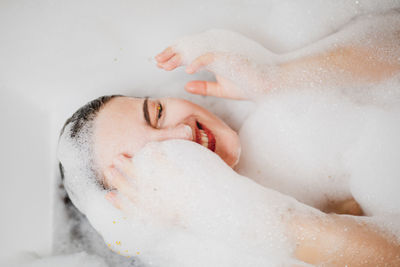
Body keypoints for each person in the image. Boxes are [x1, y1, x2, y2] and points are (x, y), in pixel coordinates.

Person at [58, 15, 400, 266]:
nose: (183, 133)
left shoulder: (272, 108)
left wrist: (280, 76)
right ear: (137, 205)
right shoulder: (217, 256)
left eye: (158, 113)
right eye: (155, 157)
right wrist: (257, 224)